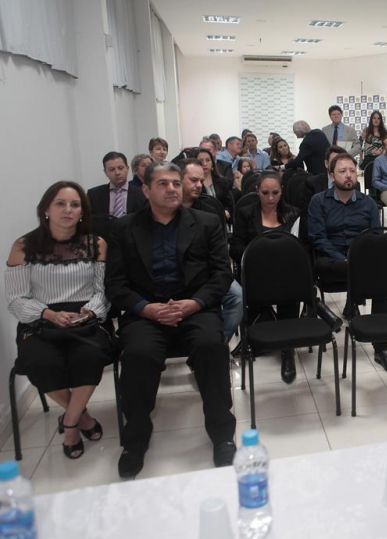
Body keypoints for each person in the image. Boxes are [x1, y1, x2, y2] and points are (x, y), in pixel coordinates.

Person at [105, 162, 236, 478]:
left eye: (176, 183)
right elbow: (115, 284)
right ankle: (135, 440)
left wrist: (195, 303)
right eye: (163, 184)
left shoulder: (205, 223)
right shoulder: (124, 228)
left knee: (211, 346)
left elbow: (222, 274)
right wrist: (146, 309)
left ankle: (222, 435)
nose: (172, 189)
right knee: (137, 354)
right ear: (146, 190)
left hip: (195, 308)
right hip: (146, 312)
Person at [6, 181, 112, 460]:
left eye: (75, 205)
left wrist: (89, 312)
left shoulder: (96, 244)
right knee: (40, 363)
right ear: (46, 210)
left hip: (86, 318)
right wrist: (48, 314)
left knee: (91, 356)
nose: (68, 210)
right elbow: (16, 298)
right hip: (40, 320)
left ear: (82, 212)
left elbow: (103, 291)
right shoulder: (23, 246)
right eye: (60, 204)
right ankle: (81, 419)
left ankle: (69, 423)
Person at [307, 154, 387, 374]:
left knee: (381, 281)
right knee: (371, 275)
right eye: (342, 171)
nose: (348, 175)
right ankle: (349, 304)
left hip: (360, 261)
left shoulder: (367, 203)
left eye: (351, 170)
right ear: (332, 175)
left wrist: (357, 258)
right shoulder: (318, 201)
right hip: (331, 262)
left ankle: (382, 348)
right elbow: (318, 238)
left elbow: (375, 236)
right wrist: (343, 258)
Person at [230, 170, 301, 383]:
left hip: (286, 272)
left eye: (275, 193)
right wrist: (259, 255)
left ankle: (287, 349)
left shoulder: (292, 214)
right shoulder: (245, 213)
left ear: (282, 191)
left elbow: (300, 248)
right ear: (257, 191)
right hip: (256, 271)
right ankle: (262, 333)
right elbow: (235, 247)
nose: (270, 198)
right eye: (265, 193)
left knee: (291, 286)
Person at [180, 158, 244, 346]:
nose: (199, 185)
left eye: (201, 181)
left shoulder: (209, 211)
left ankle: (217, 345)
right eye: (193, 180)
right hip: (178, 273)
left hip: (207, 271)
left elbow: (220, 251)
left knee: (237, 296)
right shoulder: (168, 210)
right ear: (178, 179)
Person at [87, 152, 148, 219]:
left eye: (120, 168)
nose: (117, 173)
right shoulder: (94, 195)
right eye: (112, 169)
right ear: (105, 172)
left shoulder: (141, 193)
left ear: (127, 169)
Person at [197, 147, 234, 220]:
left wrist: (226, 211)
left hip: (221, 218)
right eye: (201, 161)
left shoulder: (222, 181)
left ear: (212, 163)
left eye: (208, 160)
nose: (204, 164)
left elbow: (228, 203)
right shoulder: (194, 183)